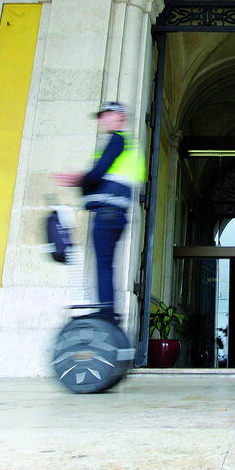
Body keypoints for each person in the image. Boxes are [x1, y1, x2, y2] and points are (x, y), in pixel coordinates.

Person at [53, 101, 145, 318]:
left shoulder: (117, 140)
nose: (102, 119)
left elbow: (97, 174)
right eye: (102, 116)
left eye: (107, 115)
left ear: (119, 117)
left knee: (103, 264)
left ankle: (106, 312)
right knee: (106, 264)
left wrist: (77, 179)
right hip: (117, 213)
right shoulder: (128, 144)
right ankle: (107, 310)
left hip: (108, 213)